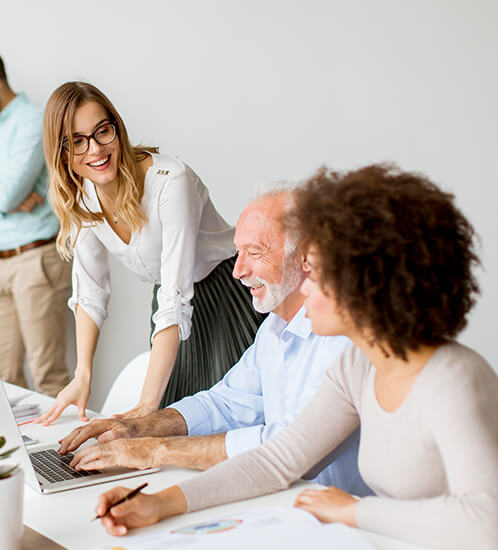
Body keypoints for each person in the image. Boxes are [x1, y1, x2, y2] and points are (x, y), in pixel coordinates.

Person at [95, 164, 497, 550]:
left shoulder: (452, 377)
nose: (307, 286)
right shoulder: (355, 369)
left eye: (317, 270)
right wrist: (160, 503)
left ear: (368, 284)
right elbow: (278, 459)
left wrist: (356, 512)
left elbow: (487, 522)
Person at [58, 187, 371, 496]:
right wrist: (137, 428)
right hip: (288, 504)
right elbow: (225, 402)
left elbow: (288, 451)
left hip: (344, 517)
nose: (237, 271)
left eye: (255, 252)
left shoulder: (344, 340)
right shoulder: (274, 329)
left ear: (305, 256)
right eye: (239, 252)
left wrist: (156, 451)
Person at [35, 81, 264, 425]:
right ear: (62, 152)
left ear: (117, 127)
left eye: (102, 132)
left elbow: (175, 297)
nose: (95, 150)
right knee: (175, 424)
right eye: (77, 141)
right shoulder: (83, 196)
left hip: (224, 295)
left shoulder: (171, 182)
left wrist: (145, 406)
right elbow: (91, 292)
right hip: (170, 309)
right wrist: (83, 374)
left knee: (229, 420)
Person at [0, 56, 71, 396]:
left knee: (49, 377)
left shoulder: (31, 119)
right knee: (4, 379)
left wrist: (13, 198)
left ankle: (65, 452)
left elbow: (7, 195)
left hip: (34, 259)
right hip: (3, 260)